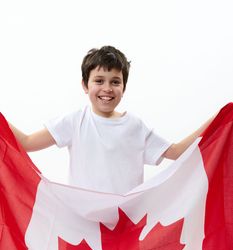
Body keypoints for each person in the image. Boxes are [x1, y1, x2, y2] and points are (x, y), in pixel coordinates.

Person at [9, 45, 217, 194]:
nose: (107, 88)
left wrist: (218, 119)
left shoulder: (135, 127)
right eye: (99, 81)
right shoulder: (74, 122)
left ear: (123, 88)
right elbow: (26, 143)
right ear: (85, 85)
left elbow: (177, 151)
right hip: (82, 225)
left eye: (115, 82)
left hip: (126, 226)